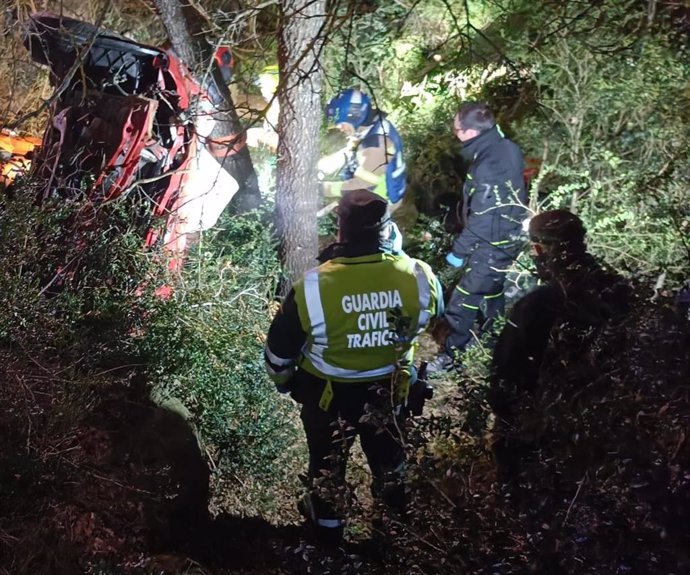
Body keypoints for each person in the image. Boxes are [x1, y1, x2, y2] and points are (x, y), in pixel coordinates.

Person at [264, 189, 443, 545]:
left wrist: (286, 384)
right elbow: (426, 318)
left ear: (341, 229)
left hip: (328, 402)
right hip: (390, 397)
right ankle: (393, 542)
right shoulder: (419, 276)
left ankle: (328, 543)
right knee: (391, 469)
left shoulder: (314, 286)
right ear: (387, 230)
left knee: (327, 471)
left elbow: (278, 355)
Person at [488, 209, 631, 484]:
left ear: (539, 249)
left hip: (550, 434)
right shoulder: (619, 290)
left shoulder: (535, 306)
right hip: (609, 430)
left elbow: (505, 379)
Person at [428, 102, 528, 373]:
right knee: (493, 290)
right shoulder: (507, 147)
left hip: (492, 242)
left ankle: (453, 358)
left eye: (456, 128)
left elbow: (483, 217)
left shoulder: (487, 165)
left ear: (470, 133)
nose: (454, 131)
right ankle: (491, 341)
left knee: (462, 298)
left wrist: (459, 252)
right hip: (510, 236)